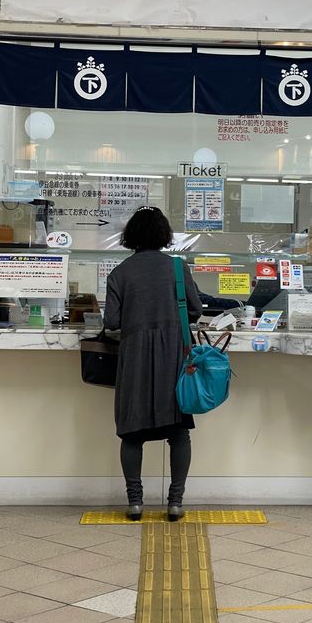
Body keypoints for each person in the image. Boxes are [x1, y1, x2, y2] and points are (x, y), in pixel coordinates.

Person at [104, 206, 202, 521]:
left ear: (131, 235)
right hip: (173, 357)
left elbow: (112, 323)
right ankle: (175, 503)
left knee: (131, 433)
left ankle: (135, 503)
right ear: (164, 235)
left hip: (134, 359)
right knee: (179, 433)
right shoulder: (177, 268)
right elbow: (195, 310)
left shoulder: (119, 273)